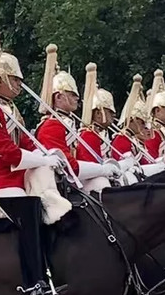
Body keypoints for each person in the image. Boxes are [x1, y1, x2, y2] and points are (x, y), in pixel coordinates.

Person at [0, 26, 63, 295]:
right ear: (0, 79)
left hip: (13, 179)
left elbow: (27, 144)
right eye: (15, 79)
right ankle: (34, 279)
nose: (20, 85)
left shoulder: (11, 111)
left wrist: (49, 153)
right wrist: (43, 159)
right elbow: (10, 154)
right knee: (30, 208)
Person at [35, 45, 117, 191]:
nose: (77, 98)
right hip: (59, 184)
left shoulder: (65, 123)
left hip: (72, 179)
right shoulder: (51, 126)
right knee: (101, 185)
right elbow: (69, 166)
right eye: (72, 94)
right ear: (59, 96)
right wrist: (103, 169)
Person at [78, 63, 120, 193]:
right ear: (97, 113)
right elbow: (92, 167)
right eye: (109, 112)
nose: (113, 115)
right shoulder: (89, 135)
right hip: (90, 183)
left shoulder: (100, 134)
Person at [111, 74, 152, 177]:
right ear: (131, 120)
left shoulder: (133, 140)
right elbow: (124, 167)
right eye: (142, 122)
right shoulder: (122, 139)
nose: (144, 126)